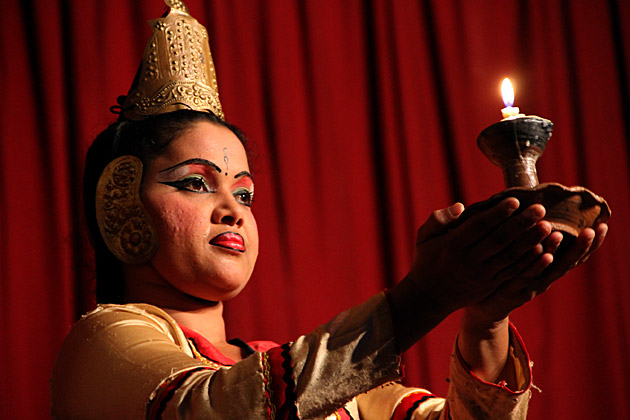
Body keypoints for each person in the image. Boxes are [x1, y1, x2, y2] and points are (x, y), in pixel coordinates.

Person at [50, 2, 607, 419]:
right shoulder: (102, 344)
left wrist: (485, 317)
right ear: (120, 201)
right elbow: (212, 408)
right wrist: (426, 296)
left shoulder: (303, 374)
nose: (232, 211)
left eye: (244, 193)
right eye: (196, 183)